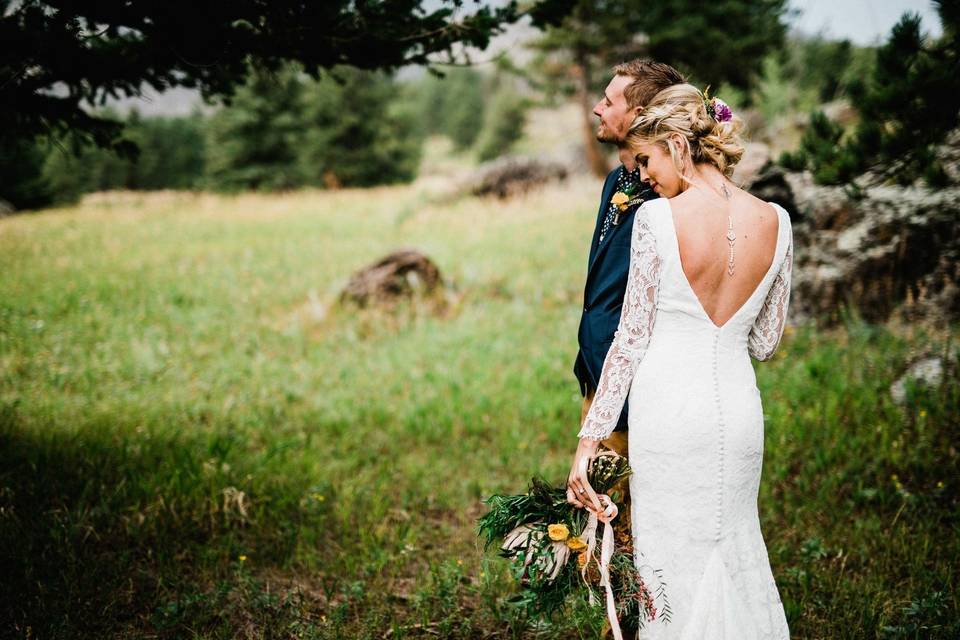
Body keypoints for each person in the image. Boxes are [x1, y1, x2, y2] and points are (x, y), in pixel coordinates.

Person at [567, 83, 794, 639]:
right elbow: (765, 342)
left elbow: (630, 341)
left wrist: (589, 442)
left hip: (667, 413)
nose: (643, 176)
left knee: (667, 565)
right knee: (734, 544)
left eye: (646, 159)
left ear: (678, 144)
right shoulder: (777, 221)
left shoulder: (658, 221)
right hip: (738, 412)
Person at [573, 60, 685, 464]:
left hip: (639, 384)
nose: (597, 109)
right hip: (595, 372)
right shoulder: (614, 181)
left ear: (638, 115)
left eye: (608, 101)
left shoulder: (670, 195)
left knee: (631, 514)